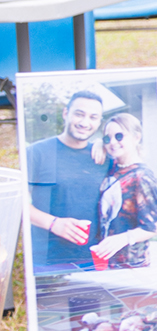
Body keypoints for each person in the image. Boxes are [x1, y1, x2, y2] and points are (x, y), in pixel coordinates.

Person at [25, 90, 107, 271]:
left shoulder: (103, 156)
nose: (85, 123)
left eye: (93, 117)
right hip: (46, 262)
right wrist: (53, 223)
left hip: (93, 260)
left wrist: (104, 143)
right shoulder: (37, 152)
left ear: (99, 122)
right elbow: (18, 203)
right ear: (65, 113)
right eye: (79, 114)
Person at [93, 113, 157, 270]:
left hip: (131, 264)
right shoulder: (112, 167)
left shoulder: (143, 176)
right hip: (106, 262)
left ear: (136, 137)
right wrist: (98, 143)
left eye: (119, 136)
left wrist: (124, 238)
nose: (112, 142)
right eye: (107, 138)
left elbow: (155, 227)